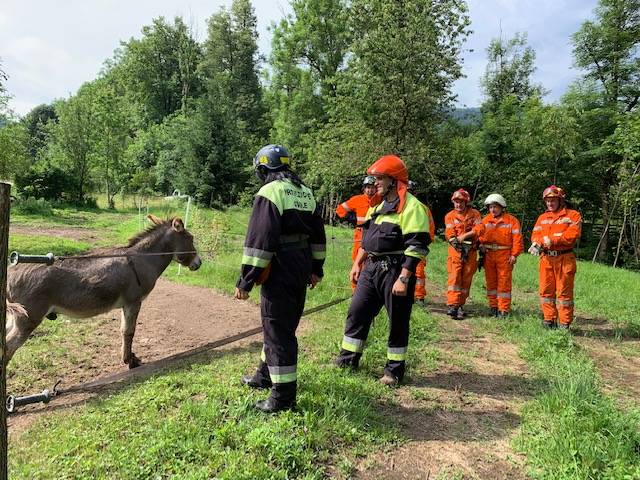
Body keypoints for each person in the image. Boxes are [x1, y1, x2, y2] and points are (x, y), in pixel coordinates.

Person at [236, 144, 326, 413]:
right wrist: (316, 269)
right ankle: (264, 376)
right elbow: (318, 237)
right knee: (280, 326)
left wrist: (246, 280)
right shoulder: (305, 192)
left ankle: (283, 397)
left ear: (264, 168)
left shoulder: (270, 191)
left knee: (278, 331)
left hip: (280, 267)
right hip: (299, 266)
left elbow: (259, 242)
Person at [334, 155, 431, 386]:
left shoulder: (412, 208)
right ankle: (348, 360)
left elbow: (416, 246)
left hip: (396, 270)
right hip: (371, 268)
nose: (374, 182)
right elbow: (367, 240)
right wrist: (357, 263)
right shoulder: (376, 206)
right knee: (357, 312)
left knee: (397, 320)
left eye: (379, 178)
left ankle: (393, 371)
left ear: (394, 180)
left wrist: (404, 278)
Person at [529, 185, 582, 329]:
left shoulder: (572, 215)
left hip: (564, 259)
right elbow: (536, 235)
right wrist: (537, 243)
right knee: (546, 291)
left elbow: (572, 235)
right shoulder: (542, 218)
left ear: (560, 200)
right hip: (546, 259)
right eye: (547, 201)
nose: (550, 203)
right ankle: (549, 319)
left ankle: (564, 323)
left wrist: (553, 240)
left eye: (553, 200)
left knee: (564, 292)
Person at [479, 193, 523, 317]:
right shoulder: (485, 220)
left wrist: (514, 255)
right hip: (488, 255)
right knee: (491, 282)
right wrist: (480, 245)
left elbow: (517, 239)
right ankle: (493, 307)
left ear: (502, 207)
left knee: (504, 282)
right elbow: (480, 236)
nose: (492, 209)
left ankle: (503, 309)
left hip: (504, 255)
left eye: (495, 207)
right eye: (490, 207)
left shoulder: (512, 221)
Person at [444, 189, 484, 320]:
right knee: (454, 278)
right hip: (456, 252)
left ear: (466, 202)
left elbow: (480, 229)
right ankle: (452, 305)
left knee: (466, 280)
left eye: (461, 202)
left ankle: (460, 304)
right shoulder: (450, 216)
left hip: (471, 251)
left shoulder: (475, 214)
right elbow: (449, 232)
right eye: (456, 202)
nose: (458, 205)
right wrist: (455, 242)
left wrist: (465, 236)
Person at [335, 176, 377, 290]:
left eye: (373, 188)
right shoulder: (357, 199)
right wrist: (351, 218)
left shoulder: (381, 200)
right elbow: (339, 209)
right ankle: (355, 290)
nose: (370, 190)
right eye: (368, 187)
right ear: (364, 188)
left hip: (375, 235)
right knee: (357, 262)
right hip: (360, 235)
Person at [407, 180, 436, 305]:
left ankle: (419, 297)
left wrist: (423, 243)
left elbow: (430, 228)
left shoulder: (422, 208)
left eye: (410, 191)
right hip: (401, 246)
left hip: (417, 246)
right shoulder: (397, 207)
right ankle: (406, 296)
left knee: (418, 272)